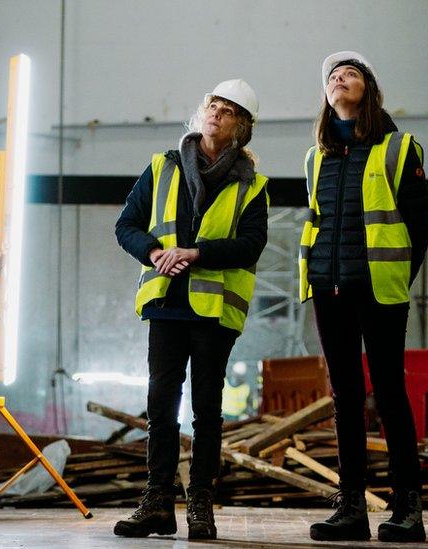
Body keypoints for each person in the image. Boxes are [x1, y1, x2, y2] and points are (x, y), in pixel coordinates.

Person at [113, 79, 268, 540]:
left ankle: (200, 504)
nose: (216, 113)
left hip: (214, 313)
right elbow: (126, 225)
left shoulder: (252, 185)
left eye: (227, 110)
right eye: (212, 105)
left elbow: (251, 244)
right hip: (166, 304)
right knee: (160, 408)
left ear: (241, 127)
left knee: (206, 410)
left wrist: (197, 253)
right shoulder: (162, 167)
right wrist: (154, 253)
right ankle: (157, 502)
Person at [299, 51, 428, 543]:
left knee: (390, 396)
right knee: (346, 398)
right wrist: (315, 277)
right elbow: (315, 222)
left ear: (368, 90)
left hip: (379, 290)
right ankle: (351, 507)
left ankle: (408, 510)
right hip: (328, 291)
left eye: (351, 73)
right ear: (326, 95)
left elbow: (420, 227)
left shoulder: (398, 149)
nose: (340, 78)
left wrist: (396, 278)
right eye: (333, 75)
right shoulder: (316, 158)